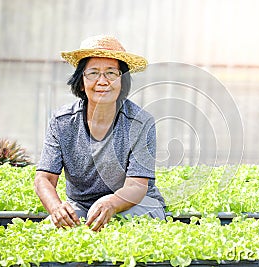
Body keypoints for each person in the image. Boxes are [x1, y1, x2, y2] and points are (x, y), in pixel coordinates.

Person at [34, 35, 166, 231]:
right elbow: (44, 179)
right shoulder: (62, 122)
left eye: (112, 73)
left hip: (136, 205)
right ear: (81, 82)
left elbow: (137, 186)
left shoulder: (140, 122)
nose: (102, 81)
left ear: (122, 81)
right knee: (51, 231)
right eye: (93, 73)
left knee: (120, 228)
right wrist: (56, 208)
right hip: (82, 207)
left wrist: (111, 204)